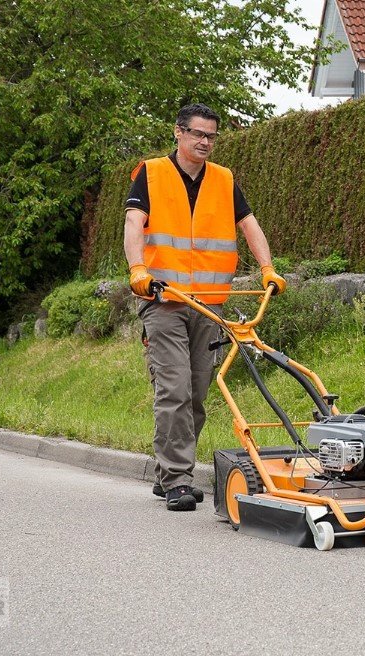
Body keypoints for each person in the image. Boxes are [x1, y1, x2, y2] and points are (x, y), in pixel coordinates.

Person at [123, 103, 286, 511]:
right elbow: (133, 223)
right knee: (174, 387)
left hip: (209, 306)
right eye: (197, 134)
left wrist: (268, 268)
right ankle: (178, 478)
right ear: (178, 133)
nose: (204, 142)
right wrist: (138, 269)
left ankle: (167, 474)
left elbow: (249, 224)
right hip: (163, 299)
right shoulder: (152, 172)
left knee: (195, 393)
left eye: (211, 136)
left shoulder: (223, 179)